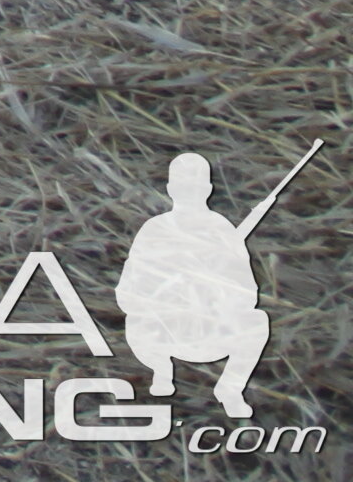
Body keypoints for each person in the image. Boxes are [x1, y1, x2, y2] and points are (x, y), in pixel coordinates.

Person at [116, 151, 273, 417]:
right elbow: (127, 291)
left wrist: (216, 294)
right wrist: (164, 297)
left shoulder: (222, 230)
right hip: (164, 332)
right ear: (170, 189)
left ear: (208, 189)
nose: (189, 191)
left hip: (212, 331)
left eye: (196, 185)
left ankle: (231, 388)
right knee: (134, 323)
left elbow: (248, 292)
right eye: (182, 185)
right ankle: (162, 370)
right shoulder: (154, 230)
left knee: (257, 322)